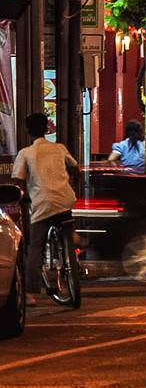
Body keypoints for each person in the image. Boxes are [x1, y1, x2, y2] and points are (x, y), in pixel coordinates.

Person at [10, 112, 78, 298]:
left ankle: (32, 290)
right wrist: (70, 184)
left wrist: (24, 196)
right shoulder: (60, 148)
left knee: (35, 247)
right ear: (47, 128)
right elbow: (75, 167)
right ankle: (73, 251)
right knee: (67, 227)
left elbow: (18, 180)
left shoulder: (26, 153)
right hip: (65, 200)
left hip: (42, 205)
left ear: (27, 131)